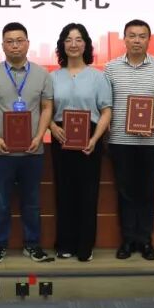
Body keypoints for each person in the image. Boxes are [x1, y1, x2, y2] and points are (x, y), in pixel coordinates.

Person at [0, 22, 54, 263]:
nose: (15, 46)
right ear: (3, 46)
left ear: (28, 44)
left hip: (33, 151)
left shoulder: (42, 74)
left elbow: (47, 107)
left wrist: (39, 137)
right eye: (10, 41)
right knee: (0, 202)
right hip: (0, 152)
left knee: (32, 202)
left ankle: (32, 245)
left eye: (20, 41)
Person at [105, 19, 154, 261]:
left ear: (149, 39)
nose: (137, 40)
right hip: (120, 141)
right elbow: (105, 103)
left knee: (147, 191)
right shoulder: (111, 68)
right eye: (132, 36)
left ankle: (145, 240)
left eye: (142, 36)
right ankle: (127, 240)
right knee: (125, 192)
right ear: (124, 39)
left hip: (150, 142)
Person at [48, 23, 112, 262]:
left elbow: (106, 111)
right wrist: (52, 127)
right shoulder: (52, 77)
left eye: (78, 39)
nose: (73, 44)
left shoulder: (98, 77)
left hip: (90, 138)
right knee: (64, 192)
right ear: (62, 45)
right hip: (61, 136)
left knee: (88, 193)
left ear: (86, 45)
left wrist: (95, 139)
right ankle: (65, 243)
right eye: (68, 39)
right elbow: (46, 110)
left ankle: (85, 245)